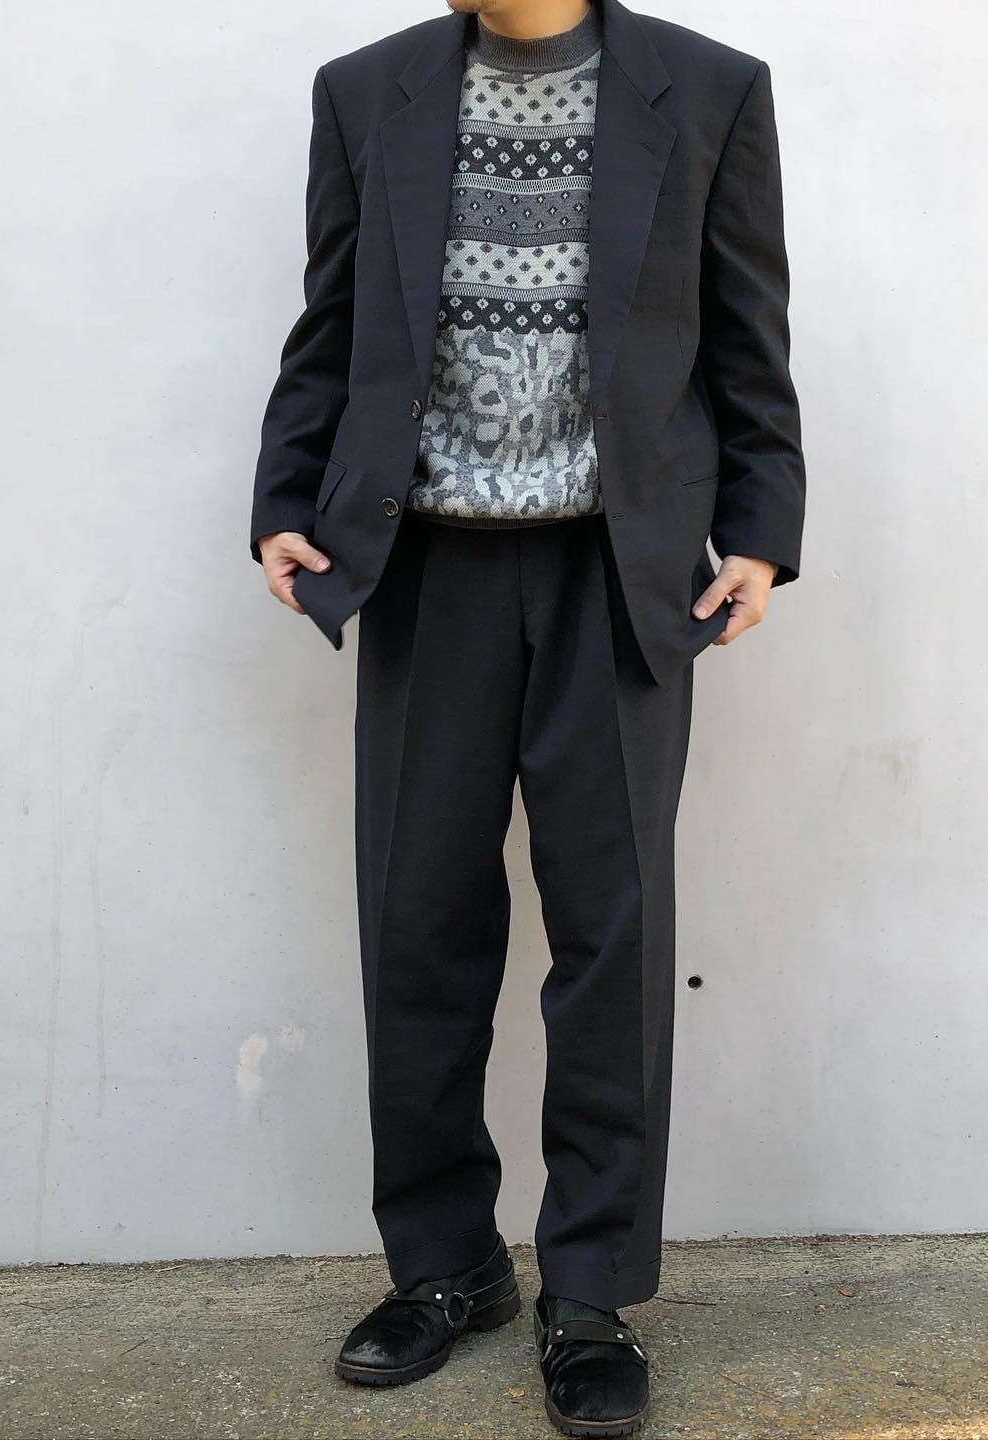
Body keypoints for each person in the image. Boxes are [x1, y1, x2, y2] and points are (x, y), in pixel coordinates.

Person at [249, 0, 804, 1430]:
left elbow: (747, 331)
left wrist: (761, 531)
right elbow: (332, 322)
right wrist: (284, 500)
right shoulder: (366, 91)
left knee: (613, 938)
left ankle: (590, 1292)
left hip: (619, 575)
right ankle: (446, 1267)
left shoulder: (708, 91)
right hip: (424, 565)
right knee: (417, 922)